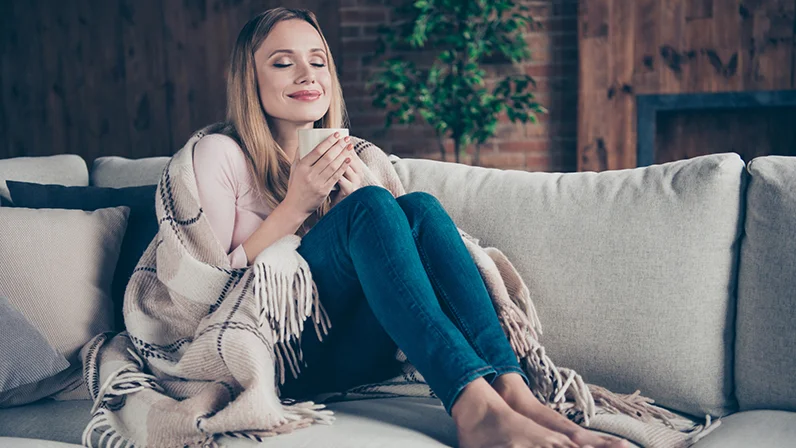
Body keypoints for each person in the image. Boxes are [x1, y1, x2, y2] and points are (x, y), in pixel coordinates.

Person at [191, 7, 629, 448]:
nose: (307, 74)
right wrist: (295, 206)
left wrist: (364, 194)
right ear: (250, 80)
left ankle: (512, 391)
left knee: (416, 207)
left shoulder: (356, 157)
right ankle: (474, 410)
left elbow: (399, 265)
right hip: (276, 359)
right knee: (373, 207)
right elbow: (205, 291)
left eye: (318, 61)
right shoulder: (220, 154)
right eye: (283, 63)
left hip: (353, 352)